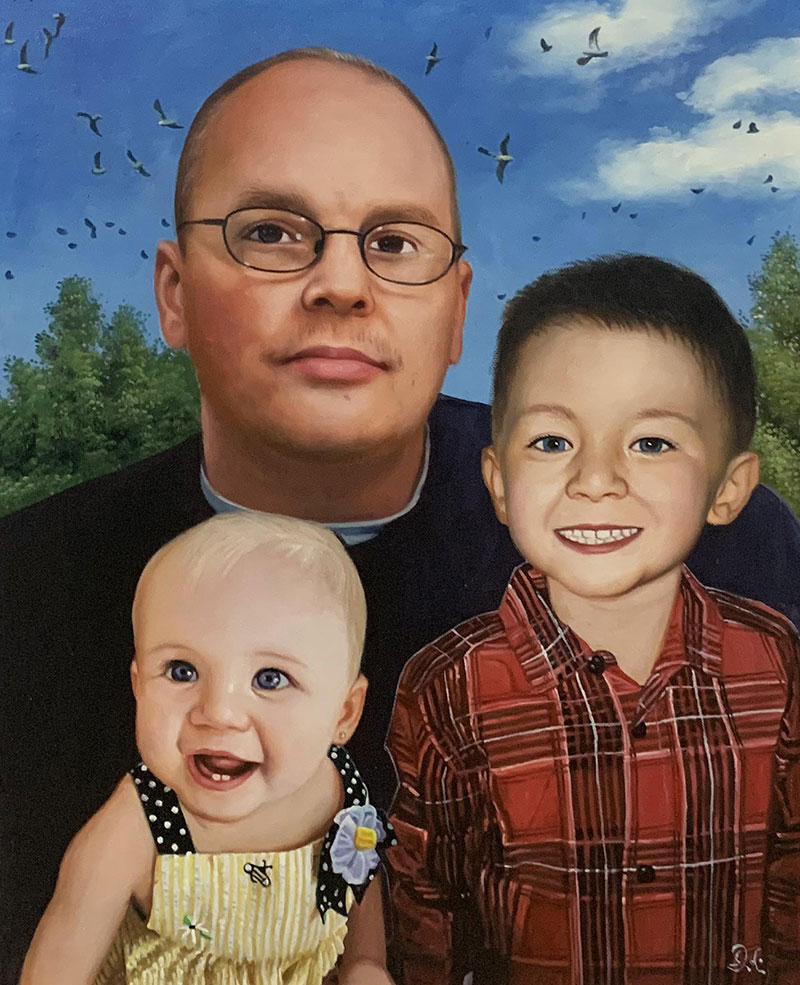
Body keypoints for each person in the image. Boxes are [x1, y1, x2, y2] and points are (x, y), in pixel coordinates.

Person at [0, 47, 798, 984]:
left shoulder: (723, 548)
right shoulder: (24, 589)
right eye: (271, 232)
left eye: (393, 242)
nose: (342, 284)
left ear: (458, 314)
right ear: (174, 293)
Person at [385, 255, 800, 984]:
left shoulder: (778, 664)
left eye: (651, 442)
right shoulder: (447, 687)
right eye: (552, 442)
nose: (596, 479)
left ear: (728, 489)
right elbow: (426, 912)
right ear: (500, 484)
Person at [21, 512, 395, 985]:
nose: (217, 713)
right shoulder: (134, 828)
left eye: (270, 679)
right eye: (181, 671)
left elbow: (357, 875)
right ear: (138, 686)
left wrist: (367, 965)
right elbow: (53, 972)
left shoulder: (339, 790)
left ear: (342, 716)